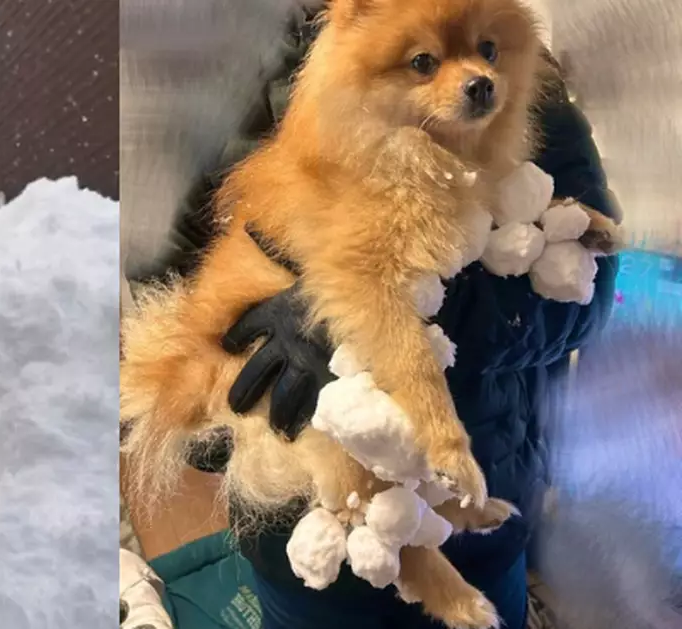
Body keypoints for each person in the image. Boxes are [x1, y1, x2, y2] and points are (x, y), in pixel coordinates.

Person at [146, 9, 621, 629]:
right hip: (302, 536)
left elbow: (583, 296)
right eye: (425, 63)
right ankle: (416, 558)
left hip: (486, 491)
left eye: (484, 50)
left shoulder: (535, 98)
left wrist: (418, 319)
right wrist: (222, 414)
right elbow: (167, 283)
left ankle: (435, 533)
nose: (473, 74)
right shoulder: (234, 78)